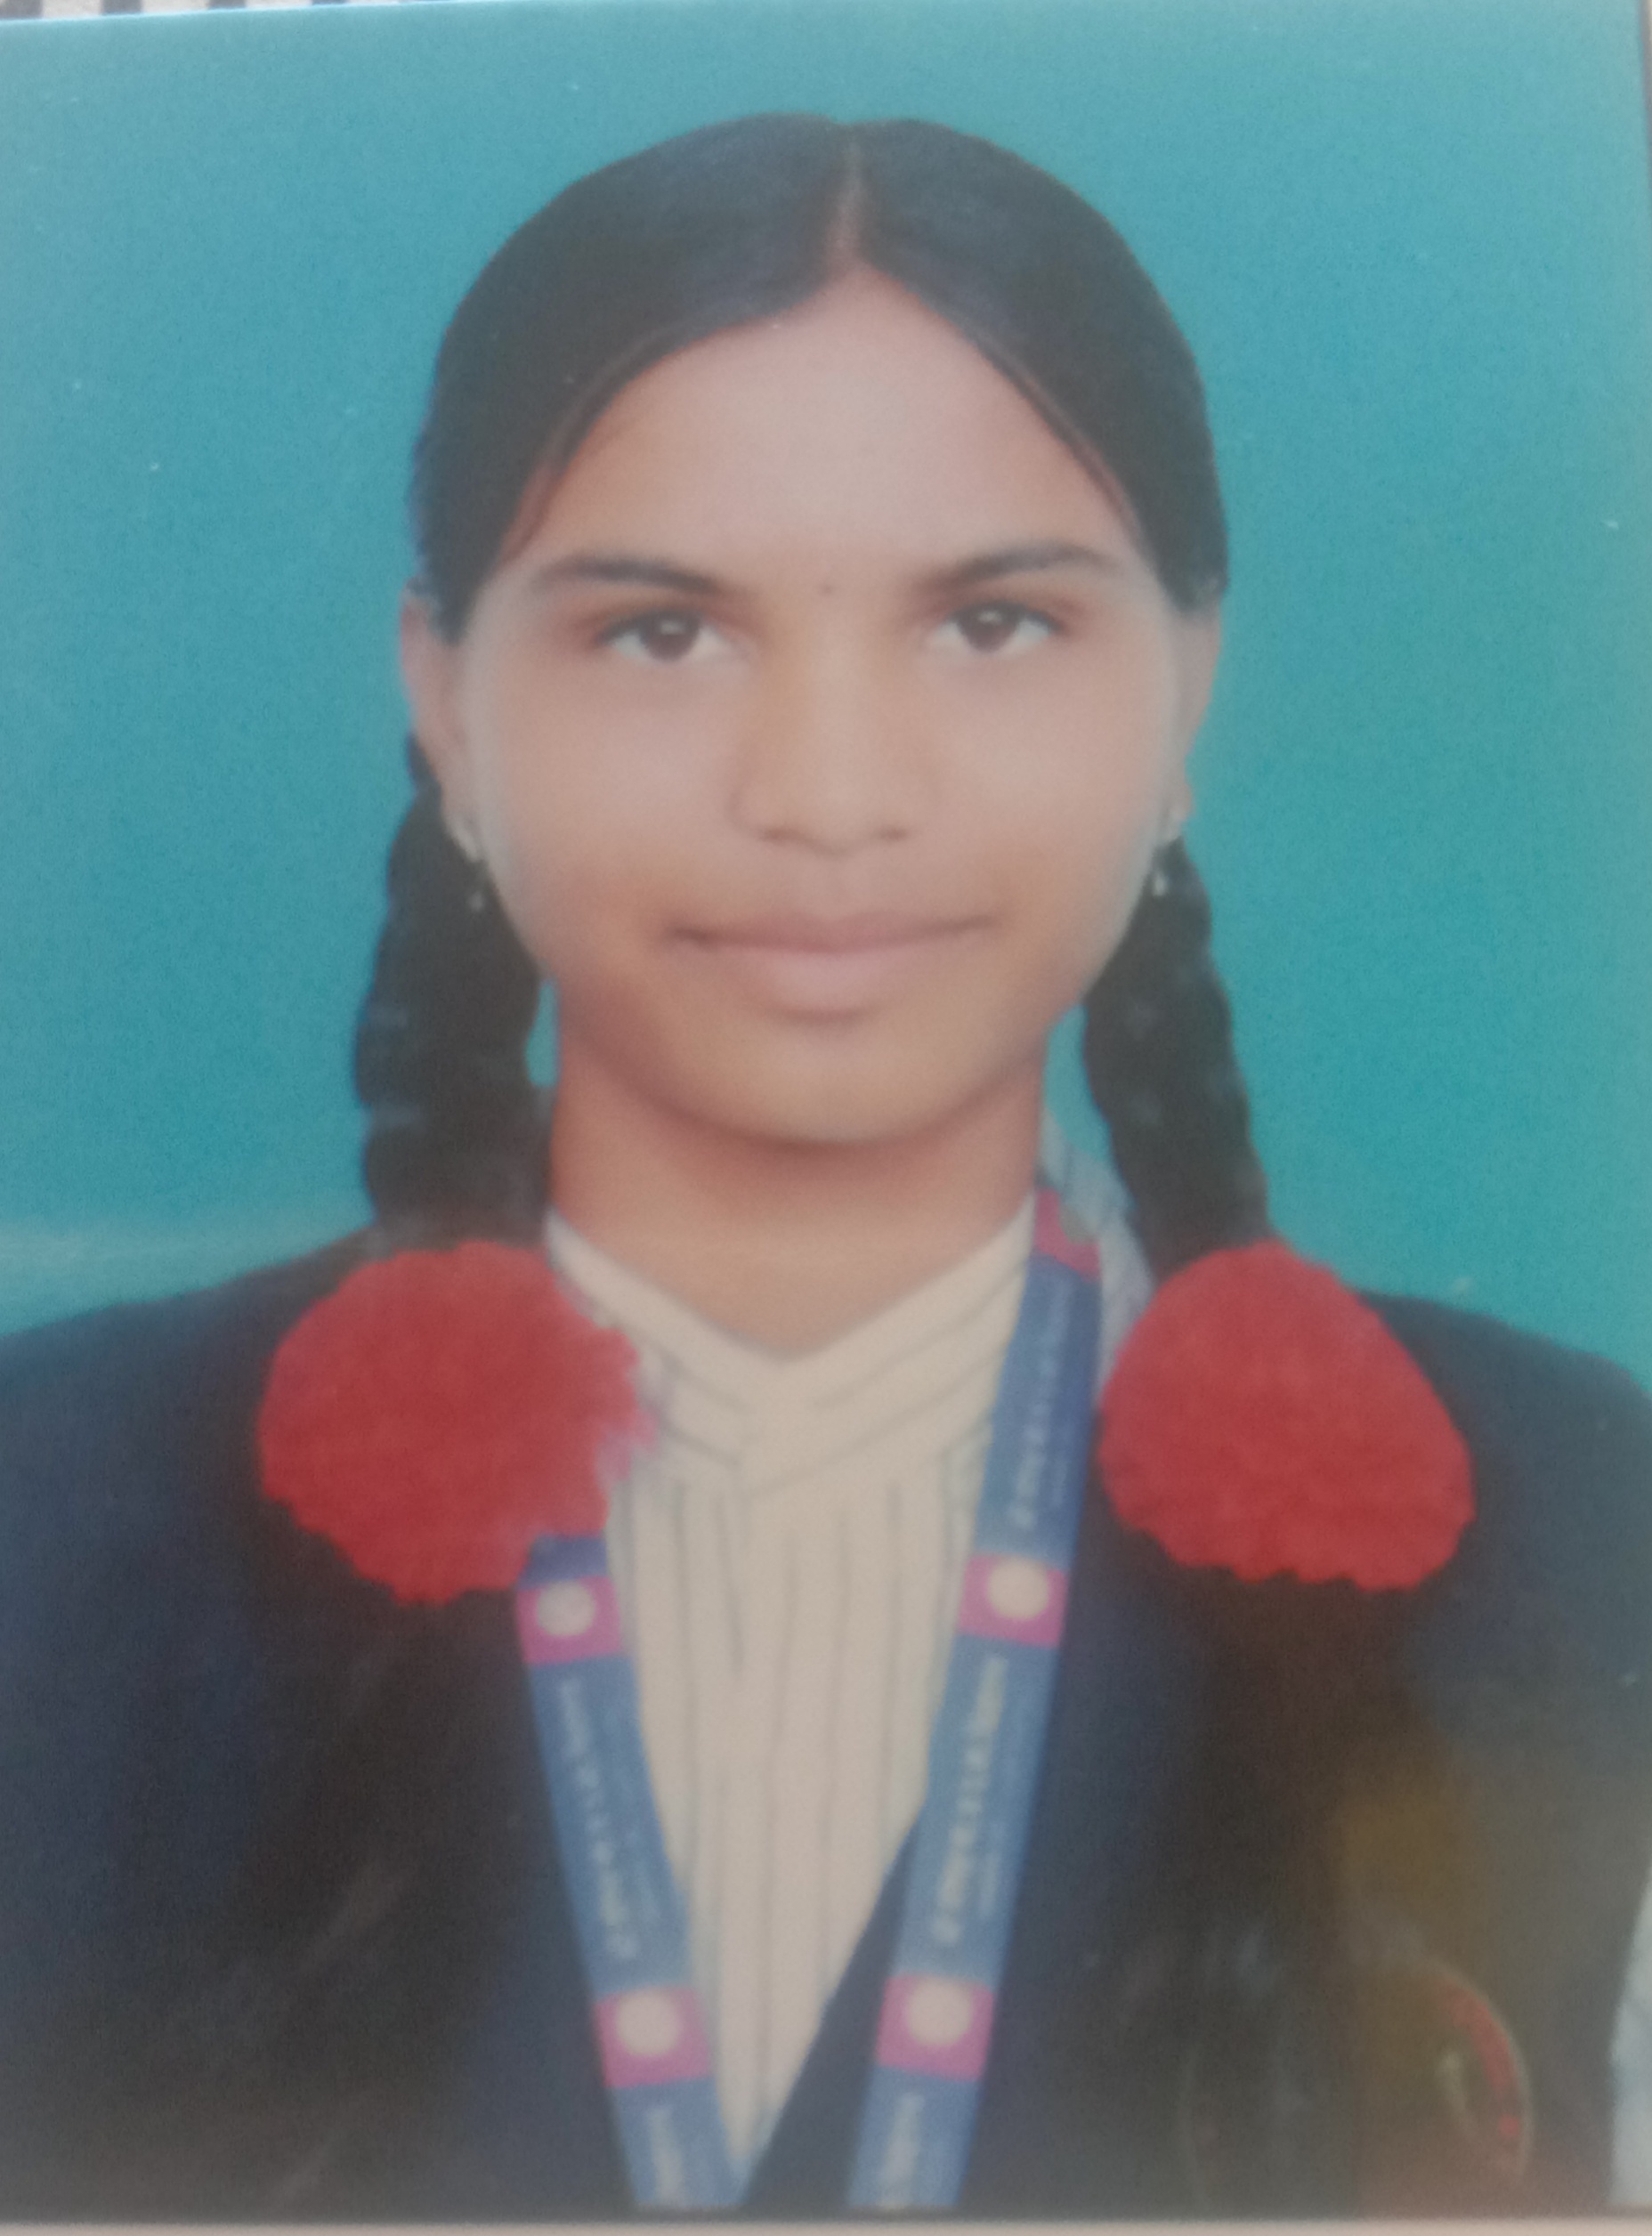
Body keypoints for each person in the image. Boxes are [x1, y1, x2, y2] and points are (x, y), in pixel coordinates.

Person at [3, 111, 1651, 2221]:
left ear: (1187, 688)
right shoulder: (52, 1512)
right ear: (444, 701)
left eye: (992, 621)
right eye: (661, 631)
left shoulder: (1574, 1528)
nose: (828, 791)